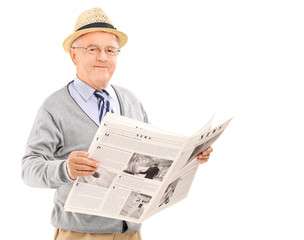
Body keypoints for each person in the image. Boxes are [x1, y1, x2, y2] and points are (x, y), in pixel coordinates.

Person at [21, 7, 213, 240]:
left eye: (110, 50)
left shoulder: (131, 100)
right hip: (80, 234)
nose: (103, 57)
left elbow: (153, 158)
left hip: (130, 233)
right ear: (74, 55)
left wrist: (190, 157)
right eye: (93, 49)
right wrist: (66, 169)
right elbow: (29, 169)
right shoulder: (54, 107)